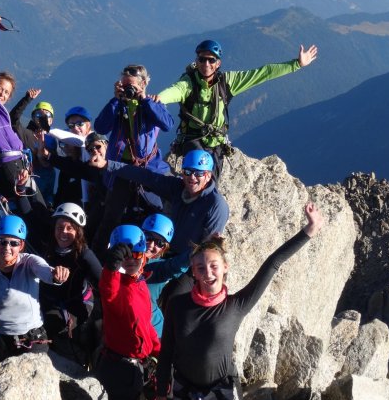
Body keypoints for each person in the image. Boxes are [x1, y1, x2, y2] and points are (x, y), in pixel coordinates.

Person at [155, 202, 324, 400]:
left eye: (214, 266)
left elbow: (272, 263)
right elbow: (166, 354)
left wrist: (310, 230)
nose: (208, 273)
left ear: (225, 268)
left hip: (221, 394)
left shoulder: (236, 305)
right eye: (200, 268)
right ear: (193, 272)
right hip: (183, 392)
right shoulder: (177, 304)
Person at [158, 39, 318, 179]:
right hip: (192, 139)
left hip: (216, 142)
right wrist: (159, 99)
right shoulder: (189, 82)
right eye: (202, 59)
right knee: (198, 170)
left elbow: (263, 73)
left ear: (218, 63)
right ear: (197, 61)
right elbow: (175, 90)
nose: (206, 64)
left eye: (211, 60)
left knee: (211, 181)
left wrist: (296, 64)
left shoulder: (227, 82)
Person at [92, 64, 174, 256]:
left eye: (132, 85)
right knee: (111, 217)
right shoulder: (118, 104)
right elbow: (100, 127)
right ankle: (100, 258)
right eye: (125, 84)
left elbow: (167, 124)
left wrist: (145, 100)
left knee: (154, 212)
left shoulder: (152, 103)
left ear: (143, 84)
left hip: (147, 168)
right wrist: (115, 99)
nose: (129, 88)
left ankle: (149, 254)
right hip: (120, 168)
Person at [0, 8, 47, 221]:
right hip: (6, 167)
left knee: (42, 210)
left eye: (7, 92)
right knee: (27, 215)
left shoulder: (4, 114)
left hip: (21, 164)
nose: (2, 93)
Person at [0, 215, 70, 355]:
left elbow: (46, 271)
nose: (7, 247)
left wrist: (56, 276)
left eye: (14, 243)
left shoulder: (29, 262)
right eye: (2, 241)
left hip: (33, 337)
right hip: (0, 339)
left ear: (21, 245)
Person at [107, 149, 228, 256]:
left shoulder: (216, 205)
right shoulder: (178, 188)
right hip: (164, 252)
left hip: (189, 264)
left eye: (199, 173)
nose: (192, 177)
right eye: (188, 172)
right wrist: (108, 165)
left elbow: (209, 249)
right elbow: (145, 177)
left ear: (208, 176)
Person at [95, 224, 160, 400]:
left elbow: (145, 325)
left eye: (137, 255)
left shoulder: (139, 283)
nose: (131, 260)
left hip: (139, 366)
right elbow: (108, 291)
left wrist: (159, 351)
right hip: (119, 371)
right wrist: (111, 268)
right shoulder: (116, 285)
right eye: (125, 256)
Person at [39, 203, 102, 367]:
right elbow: (32, 214)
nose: (63, 232)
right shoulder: (48, 248)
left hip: (74, 305)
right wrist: (25, 188)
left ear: (78, 232)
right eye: (60, 227)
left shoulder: (84, 255)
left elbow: (102, 282)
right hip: (50, 301)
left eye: (70, 228)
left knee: (59, 324)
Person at [141, 214, 190, 338]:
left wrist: (200, 249)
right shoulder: (124, 257)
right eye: (148, 237)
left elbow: (175, 266)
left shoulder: (158, 268)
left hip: (153, 332)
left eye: (159, 242)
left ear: (164, 248)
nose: (151, 245)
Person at [9, 91, 57, 206]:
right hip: (24, 186)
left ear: (51, 120)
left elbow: (50, 164)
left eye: (47, 115)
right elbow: (13, 119)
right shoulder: (26, 134)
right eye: (39, 115)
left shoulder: (53, 139)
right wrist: (27, 99)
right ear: (33, 117)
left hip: (43, 190)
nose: (43, 118)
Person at [53, 106, 95, 208]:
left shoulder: (96, 142)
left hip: (97, 201)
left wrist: (49, 130)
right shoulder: (76, 151)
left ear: (88, 125)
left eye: (80, 124)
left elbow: (86, 172)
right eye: (71, 125)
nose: (75, 128)